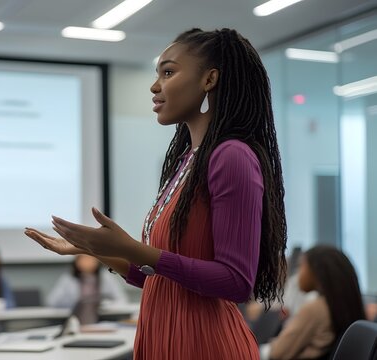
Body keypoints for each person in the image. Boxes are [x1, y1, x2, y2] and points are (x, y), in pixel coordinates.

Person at [26, 28, 287, 359]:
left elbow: (236, 282)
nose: (154, 86)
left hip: (203, 345)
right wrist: (94, 249)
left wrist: (134, 249)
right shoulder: (186, 162)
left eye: (168, 72)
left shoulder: (231, 156)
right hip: (162, 335)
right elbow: (156, 277)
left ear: (209, 79)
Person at [260, 246, 366, 359]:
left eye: (301, 266)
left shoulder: (314, 309)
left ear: (316, 273)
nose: (297, 275)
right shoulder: (339, 305)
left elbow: (276, 352)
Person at [47, 254, 128, 309]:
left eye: (90, 258)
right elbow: (52, 302)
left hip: (102, 317)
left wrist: (105, 305)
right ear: (76, 261)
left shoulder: (106, 277)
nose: (87, 262)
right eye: (83, 258)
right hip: (74, 317)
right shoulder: (68, 278)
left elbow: (122, 299)